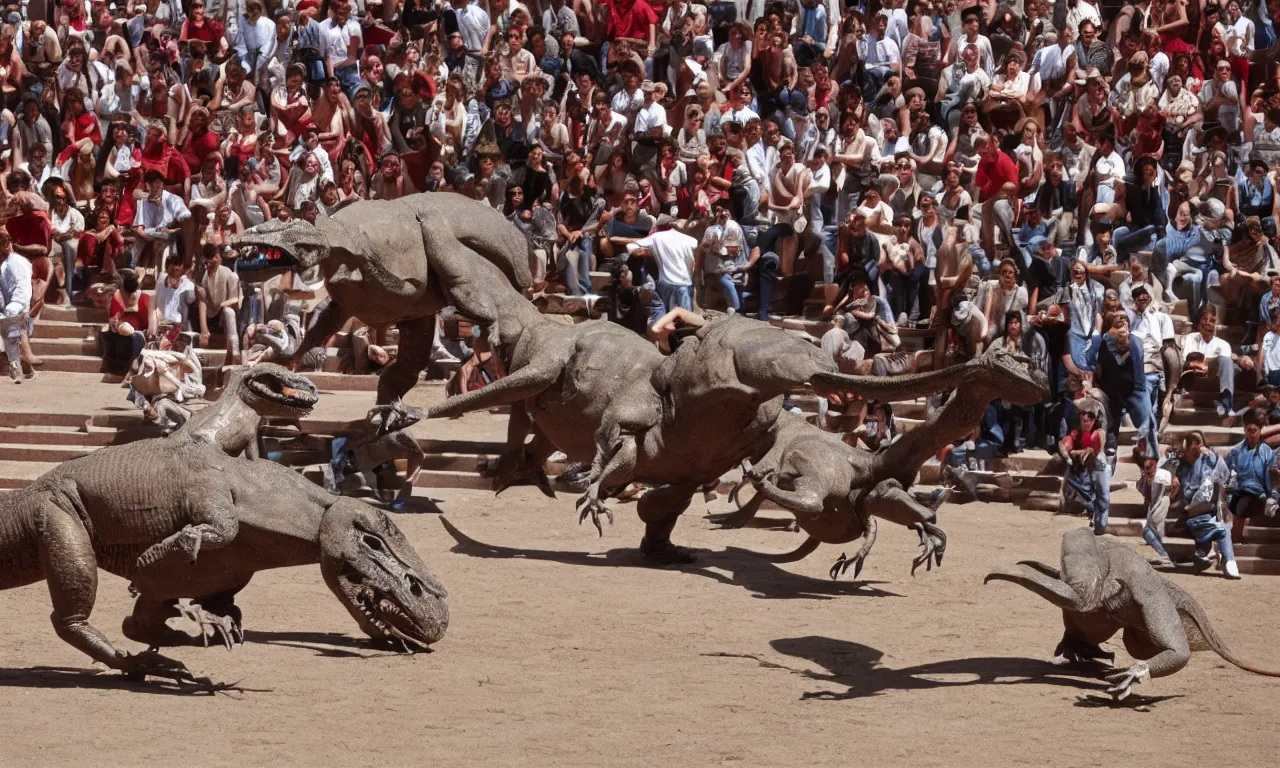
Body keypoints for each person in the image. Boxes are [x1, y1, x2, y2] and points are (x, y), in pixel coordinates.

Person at [1170, 431, 1240, 578]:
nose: (1196, 451)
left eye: (1198, 446)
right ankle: (1206, 554)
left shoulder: (1208, 460)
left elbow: (1218, 480)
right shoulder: (1181, 464)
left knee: (1220, 527)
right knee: (1219, 529)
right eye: (1192, 448)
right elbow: (1168, 465)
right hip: (1189, 513)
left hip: (1208, 509)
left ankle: (1209, 555)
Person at [1225, 408, 1277, 546]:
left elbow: (1271, 479)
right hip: (1242, 493)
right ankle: (1235, 539)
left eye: (1254, 430)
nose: (1252, 434)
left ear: (1260, 430)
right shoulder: (1235, 452)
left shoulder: (1268, 453)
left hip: (1264, 494)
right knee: (1241, 501)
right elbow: (1226, 473)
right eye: (1249, 430)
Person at [626, 228, 698, 321]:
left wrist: (640, 251)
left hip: (665, 283)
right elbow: (694, 261)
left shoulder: (657, 237)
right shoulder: (691, 240)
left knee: (663, 315)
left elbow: (630, 246)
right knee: (686, 317)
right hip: (684, 282)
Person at [197, 245, 242, 362]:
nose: (209, 264)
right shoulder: (204, 277)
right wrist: (204, 330)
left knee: (229, 312)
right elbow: (203, 301)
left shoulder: (228, 273)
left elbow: (234, 301)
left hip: (226, 313)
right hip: (212, 316)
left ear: (218, 257)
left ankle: (235, 352)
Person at [0, 233, 32, 382]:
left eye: (4, 243)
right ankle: (22, 368)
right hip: (7, 307)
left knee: (12, 336)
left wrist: (14, 307)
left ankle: (18, 369)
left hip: (18, 307)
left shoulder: (16, 262)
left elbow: (22, 287)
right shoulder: (4, 263)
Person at [1138, 453, 1174, 567]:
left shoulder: (1161, 475)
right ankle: (1165, 556)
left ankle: (1165, 556)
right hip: (1154, 504)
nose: (1147, 470)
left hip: (1161, 503)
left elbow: (1175, 483)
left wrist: (1170, 497)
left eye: (1150, 467)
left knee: (1151, 531)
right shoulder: (1148, 477)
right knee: (1150, 532)